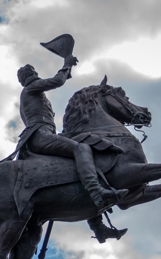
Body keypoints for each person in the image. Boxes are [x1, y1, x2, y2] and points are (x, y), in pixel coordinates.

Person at [15, 56, 128, 208]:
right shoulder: (31, 87)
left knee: (82, 147)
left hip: (43, 134)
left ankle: (97, 224)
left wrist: (68, 70)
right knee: (80, 148)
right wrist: (66, 65)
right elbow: (57, 81)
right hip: (40, 135)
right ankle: (96, 192)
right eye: (34, 72)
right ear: (31, 74)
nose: (37, 74)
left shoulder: (29, 92)